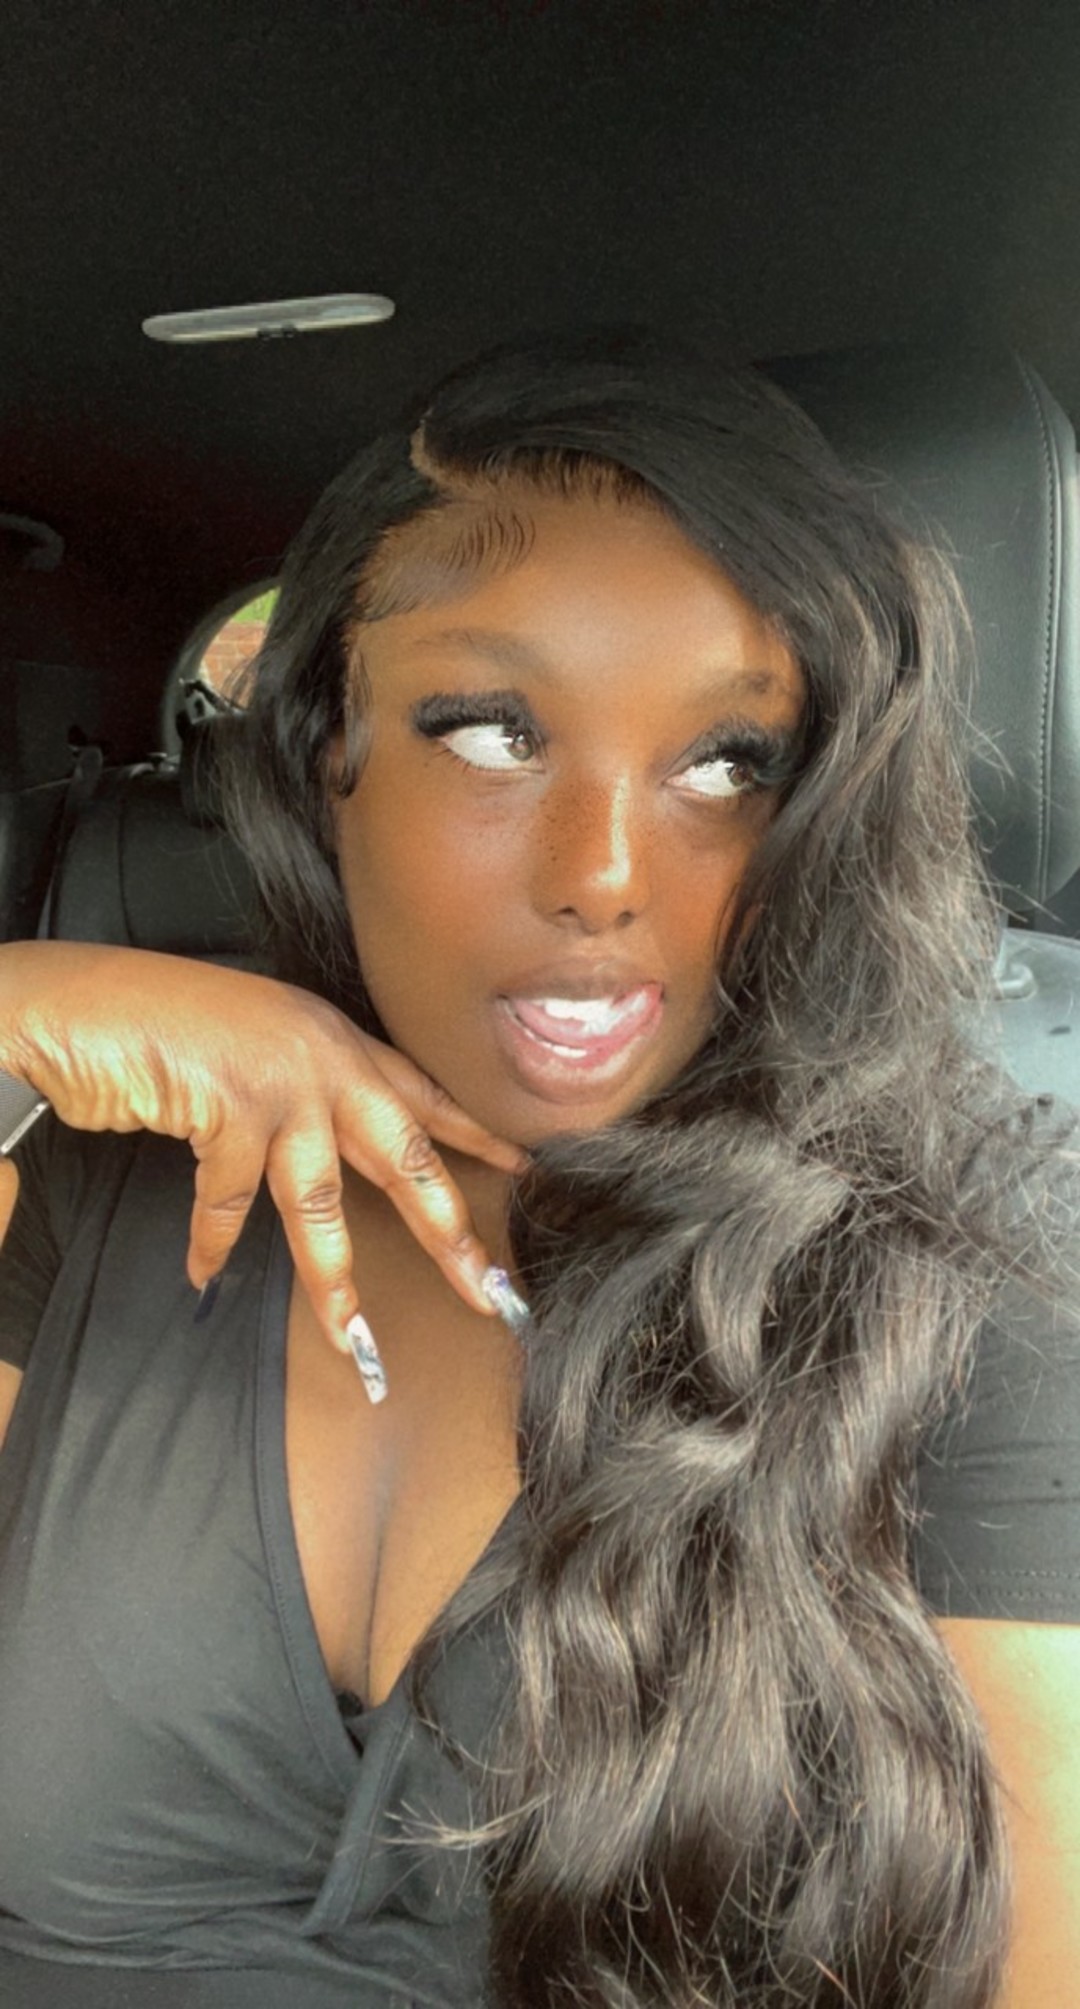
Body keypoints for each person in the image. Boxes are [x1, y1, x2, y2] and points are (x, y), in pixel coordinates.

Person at [0, 323, 1077, 2009]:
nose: (603, 873)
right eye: (495, 732)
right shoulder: (105, 1181)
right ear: (327, 753)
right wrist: (15, 1005)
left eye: (729, 760)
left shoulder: (956, 1300)